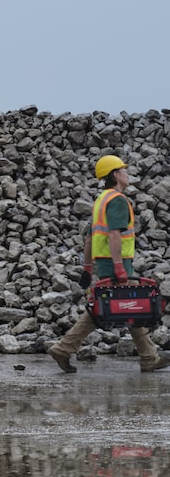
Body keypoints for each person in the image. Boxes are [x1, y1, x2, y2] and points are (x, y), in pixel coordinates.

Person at [48, 155, 170, 373]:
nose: (126, 173)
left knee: (110, 309)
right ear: (115, 175)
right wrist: (119, 267)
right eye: (123, 170)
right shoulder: (117, 200)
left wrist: (87, 268)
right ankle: (64, 348)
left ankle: (148, 357)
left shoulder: (100, 200)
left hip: (105, 263)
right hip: (117, 262)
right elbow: (114, 234)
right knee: (130, 307)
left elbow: (89, 238)